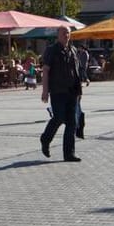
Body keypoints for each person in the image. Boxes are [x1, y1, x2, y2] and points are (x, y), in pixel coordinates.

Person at [39, 25, 82, 163]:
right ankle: (45, 139)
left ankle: (69, 154)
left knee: (72, 123)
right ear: (58, 35)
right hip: (58, 91)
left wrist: (80, 90)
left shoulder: (73, 50)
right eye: (63, 33)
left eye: (68, 33)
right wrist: (45, 91)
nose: (66, 35)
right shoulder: (52, 50)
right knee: (58, 118)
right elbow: (45, 70)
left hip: (72, 92)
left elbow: (76, 71)